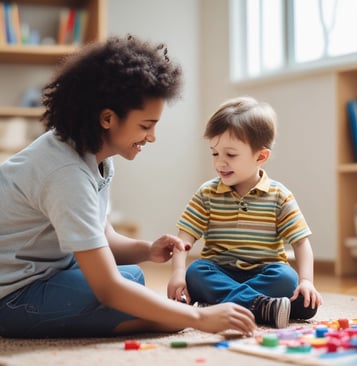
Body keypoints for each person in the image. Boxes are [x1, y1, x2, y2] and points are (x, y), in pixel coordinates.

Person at [0, 36, 256, 338]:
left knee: (132, 276)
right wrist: (198, 317)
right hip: (12, 298)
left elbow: (103, 238)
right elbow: (107, 287)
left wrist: (148, 250)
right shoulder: (66, 172)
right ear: (107, 118)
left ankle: (128, 316)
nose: (152, 137)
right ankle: (135, 322)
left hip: (50, 274)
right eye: (146, 126)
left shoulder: (94, 155)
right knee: (126, 294)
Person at [167, 96, 323, 329]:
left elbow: (301, 242)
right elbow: (184, 238)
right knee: (196, 273)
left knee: (287, 279)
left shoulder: (279, 196)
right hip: (218, 270)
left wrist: (307, 281)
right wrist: (178, 273)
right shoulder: (207, 193)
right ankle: (260, 306)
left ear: (260, 156)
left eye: (230, 155)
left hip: (265, 273)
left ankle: (218, 305)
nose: (220, 163)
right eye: (214, 153)